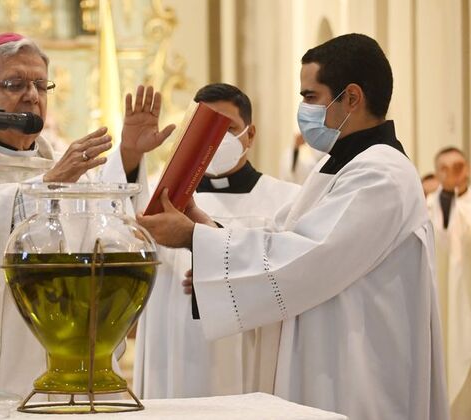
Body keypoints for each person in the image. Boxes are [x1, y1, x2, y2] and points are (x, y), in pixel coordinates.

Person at [137, 33, 448, 420]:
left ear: (351, 98)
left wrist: (192, 238)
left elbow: (307, 257)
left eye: (310, 97)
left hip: (356, 370)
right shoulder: (338, 166)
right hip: (328, 359)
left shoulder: (382, 174)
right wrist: (205, 227)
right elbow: (281, 237)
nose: (303, 109)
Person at [0, 32, 174, 397]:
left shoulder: (65, 166)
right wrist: (46, 185)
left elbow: (109, 227)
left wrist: (127, 157)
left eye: (40, 85)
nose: (32, 96)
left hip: (65, 356)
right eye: (15, 84)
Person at [133, 83, 300, 398]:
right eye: (208, 127)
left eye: (228, 128)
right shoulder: (157, 199)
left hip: (249, 356)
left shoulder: (286, 201)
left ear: (249, 135)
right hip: (176, 359)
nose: (216, 139)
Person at [426, 147, 471, 420]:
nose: (453, 172)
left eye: (459, 166)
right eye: (445, 167)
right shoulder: (429, 204)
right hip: (441, 303)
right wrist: (446, 192)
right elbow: (441, 236)